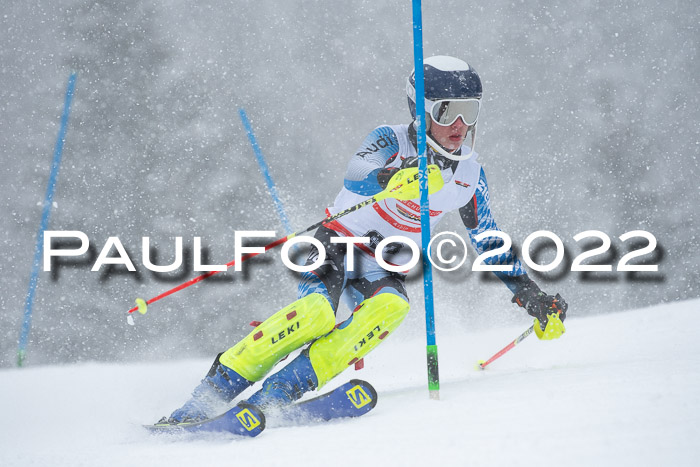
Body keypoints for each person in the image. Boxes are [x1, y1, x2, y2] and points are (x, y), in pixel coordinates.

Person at [159, 55, 568, 424]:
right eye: (447, 112)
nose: (460, 125)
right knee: (317, 314)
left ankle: (282, 390)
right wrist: (393, 177)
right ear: (422, 110)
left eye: (469, 112)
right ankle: (211, 393)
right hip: (336, 242)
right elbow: (355, 171)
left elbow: (488, 241)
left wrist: (532, 297)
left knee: (391, 306)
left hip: (383, 263)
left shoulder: (470, 177)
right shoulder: (392, 139)